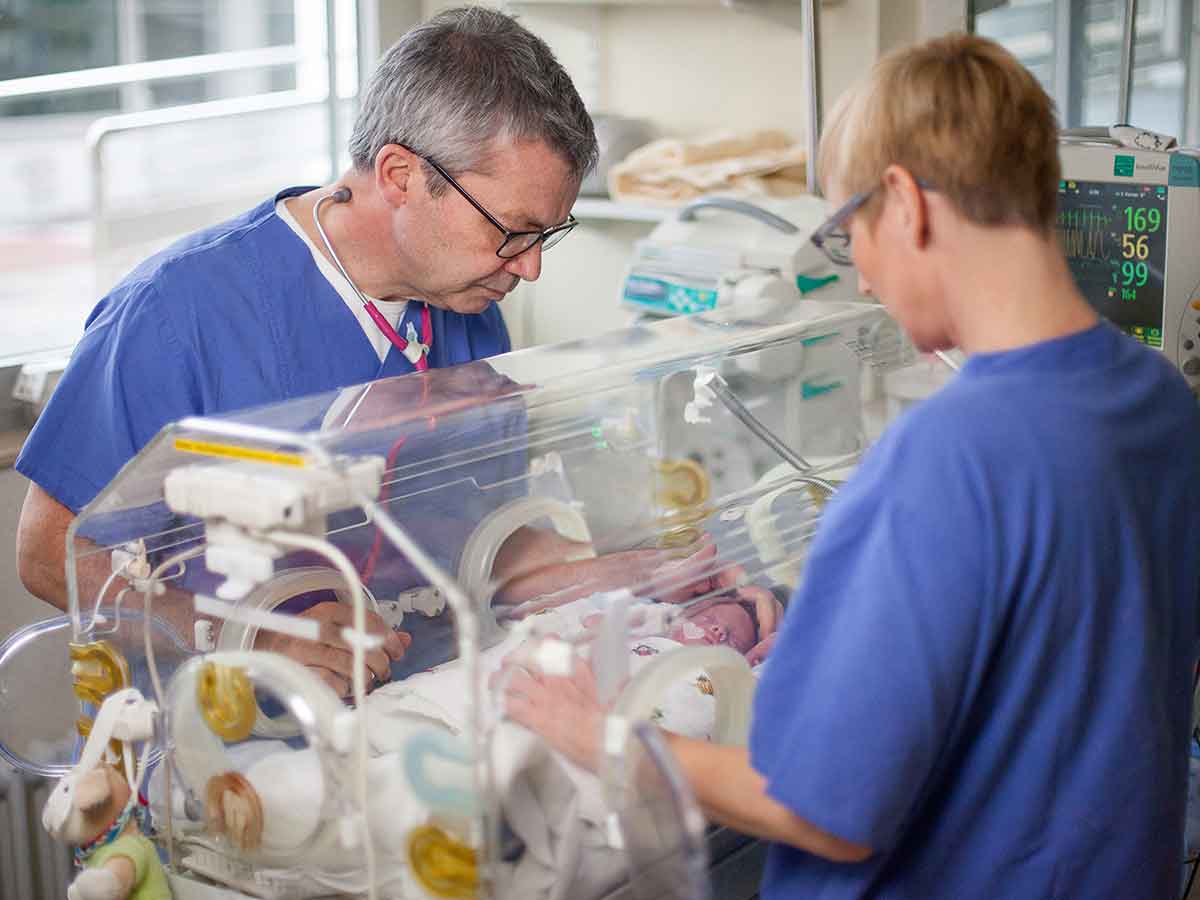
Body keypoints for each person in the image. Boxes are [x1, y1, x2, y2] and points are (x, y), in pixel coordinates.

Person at [504, 33, 1200, 899]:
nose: (863, 279)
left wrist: (607, 738)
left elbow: (825, 808)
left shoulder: (949, 458)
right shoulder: (1161, 402)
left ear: (905, 203)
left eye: (847, 234)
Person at [13, 7, 598, 689]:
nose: (529, 268)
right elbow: (52, 555)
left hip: (409, 717)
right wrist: (241, 637)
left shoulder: (466, 305)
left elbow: (465, 528)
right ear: (401, 175)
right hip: (232, 752)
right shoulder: (178, 315)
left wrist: (595, 578)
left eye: (545, 236)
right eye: (514, 231)